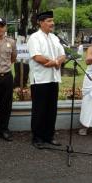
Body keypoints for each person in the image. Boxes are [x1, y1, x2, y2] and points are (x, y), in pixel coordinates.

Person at [27, 11, 66, 149]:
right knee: (39, 109)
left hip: (53, 78)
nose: (52, 23)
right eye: (49, 21)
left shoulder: (54, 38)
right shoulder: (34, 38)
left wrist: (55, 62)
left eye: (52, 21)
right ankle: (37, 137)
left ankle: (49, 136)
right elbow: (37, 57)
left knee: (51, 109)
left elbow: (63, 55)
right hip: (40, 79)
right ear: (41, 22)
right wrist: (54, 62)